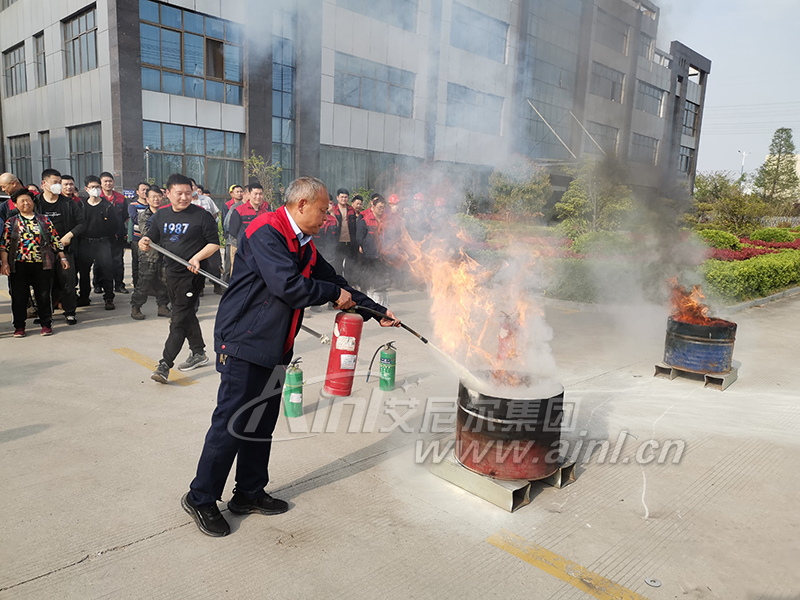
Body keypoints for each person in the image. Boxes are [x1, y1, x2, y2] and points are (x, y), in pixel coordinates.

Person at [182, 176, 400, 537]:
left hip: (275, 345)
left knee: (260, 423)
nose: (328, 216)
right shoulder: (265, 230)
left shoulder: (306, 245)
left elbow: (337, 281)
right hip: (243, 340)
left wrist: (377, 310)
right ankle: (201, 496)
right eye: (323, 209)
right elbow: (289, 287)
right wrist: (333, 293)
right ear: (302, 205)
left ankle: (248, 492)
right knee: (232, 422)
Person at [138, 173, 220, 383]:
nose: (184, 197)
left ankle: (165, 364)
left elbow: (214, 243)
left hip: (191, 275)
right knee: (185, 313)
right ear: (168, 193)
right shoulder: (161, 215)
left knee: (179, 317)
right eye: (179, 193)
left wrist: (197, 257)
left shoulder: (202, 216)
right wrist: (145, 242)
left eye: (188, 193)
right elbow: (152, 237)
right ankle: (199, 352)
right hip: (171, 272)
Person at [0, 191, 68, 337]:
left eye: (29, 200)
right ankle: (19, 326)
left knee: (43, 296)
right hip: (18, 265)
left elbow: (55, 240)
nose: (26, 203)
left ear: (33, 202)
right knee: (19, 297)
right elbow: (4, 245)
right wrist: (4, 263)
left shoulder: (44, 220)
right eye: (22, 201)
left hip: (42, 264)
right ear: (16, 204)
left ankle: (46, 324)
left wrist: (63, 258)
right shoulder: (11, 222)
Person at [36, 169, 85, 326]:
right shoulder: (36, 203)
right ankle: (45, 313)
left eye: (59, 182)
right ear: (44, 184)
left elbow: (81, 223)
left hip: (66, 250)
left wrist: (69, 236)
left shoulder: (68, 203)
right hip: (42, 251)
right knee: (44, 284)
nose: (58, 186)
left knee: (68, 282)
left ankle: (70, 312)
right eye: (55, 182)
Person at [77, 176, 118, 310]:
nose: (96, 190)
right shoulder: (81, 205)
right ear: (86, 189)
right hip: (85, 243)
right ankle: (84, 297)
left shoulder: (107, 206)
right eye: (92, 187)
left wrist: (109, 241)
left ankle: (109, 298)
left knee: (107, 271)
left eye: (98, 187)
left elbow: (114, 225)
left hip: (103, 243)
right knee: (84, 273)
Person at [130, 186, 171, 320]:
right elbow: (147, 233)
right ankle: (136, 307)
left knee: (164, 282)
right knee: (144, 283)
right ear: (146, 199)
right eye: (153, 196)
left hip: (165, 255)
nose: (156, 199)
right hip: (149, 255)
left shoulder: (167, 213)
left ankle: (163, 307)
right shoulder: (143, 215)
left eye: (158, 196)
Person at [189, 178, 223, 294]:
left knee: (214, 263)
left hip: (209, 235)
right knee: (199, 263)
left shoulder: (206, 200)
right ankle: (200, 288)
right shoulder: (186, 202)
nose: (192, 188)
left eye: (193, 186)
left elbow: (214, 214)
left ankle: (217, 285)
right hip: (195, 238)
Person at [356, 194, 390, 305]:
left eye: (383, 207)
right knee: (367, 277)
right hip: (369, 254)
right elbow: (359, 237)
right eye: (379, 207)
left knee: (381, 277)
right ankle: (364, 300)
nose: (381, 210)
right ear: (373, 207)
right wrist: (362, 246)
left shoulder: (386, 221)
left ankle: (378, 302)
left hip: (382, 254)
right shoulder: (365, 221)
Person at [98, 172, 129, 294]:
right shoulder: (97, 197)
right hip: (102, 236)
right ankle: (98, 284)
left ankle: (119, 285)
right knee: (100, 261)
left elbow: (126, 216)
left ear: (113, 183)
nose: (108, 183)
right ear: (101, 183)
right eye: (105, 181)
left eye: (110, 181)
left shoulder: (121, 198)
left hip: (118, 236)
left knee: (118, 261)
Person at [128, 182, 150, 290]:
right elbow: (135, 219)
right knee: (136, 261)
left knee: (149, 262)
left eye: (147, 189)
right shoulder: (133, 205)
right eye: (143, 189)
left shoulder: (152, 205)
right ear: (137, 192)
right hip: (137, 237)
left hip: (150, 237)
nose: (145, 192)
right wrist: (149, 220)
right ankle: (137, 284)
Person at [332, 187, 357, 277]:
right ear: (337, 197)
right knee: (337, 264)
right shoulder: (333, 210)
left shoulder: (351, 210)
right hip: (338, 241)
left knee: (350, 264)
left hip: (350, 241)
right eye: (342, 197)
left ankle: (348, 283)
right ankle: (339, 283)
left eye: (346, 197)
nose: (344, 199)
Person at [221, 184, 244, 283]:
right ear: (232, 194)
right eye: (237, 192)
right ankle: (225, 283)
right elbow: (225, 222)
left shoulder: (247, 205)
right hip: (231, 238)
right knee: (229, 263)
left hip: (241, 238)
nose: (239, 194)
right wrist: (227, 234)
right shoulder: (228, 206)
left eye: (241, 191)